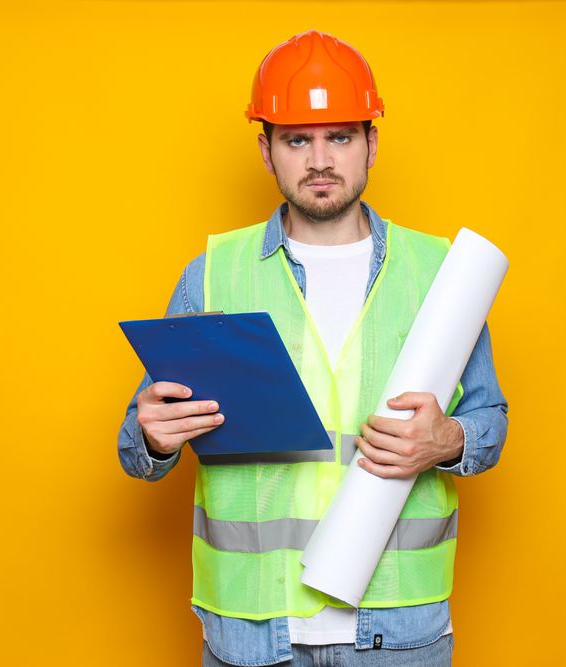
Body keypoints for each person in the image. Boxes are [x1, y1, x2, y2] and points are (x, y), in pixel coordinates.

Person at [117, 30, 508, 667]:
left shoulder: (443, 276)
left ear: (372, 143)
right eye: (298, 139)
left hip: (398, 634)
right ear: (267, 150)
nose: (319, 159)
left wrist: (450, 441)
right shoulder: (214, 273)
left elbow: (490, 418)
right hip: (251, 634)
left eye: (340, 137)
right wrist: (153, 437)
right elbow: (138, 451)